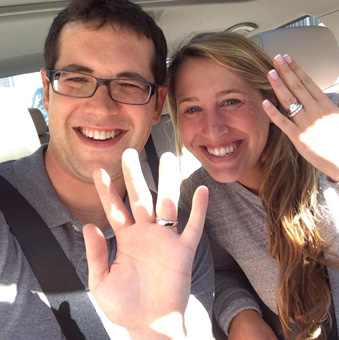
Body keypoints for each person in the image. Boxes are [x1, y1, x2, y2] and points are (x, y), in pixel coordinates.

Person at [0, 1, 214, 339]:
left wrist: (155, 331)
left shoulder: (178, 235)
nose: (101, 108)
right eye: (76, 79)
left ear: (158, 104)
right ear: (48, 91)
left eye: (128, 85)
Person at [167, 31, 339, 340]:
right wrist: (240, 315)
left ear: (270, 100)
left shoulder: (330, 128)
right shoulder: (199, 199)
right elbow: (216, 272)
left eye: (231, 101)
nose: (214, 128)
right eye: (192, 108)